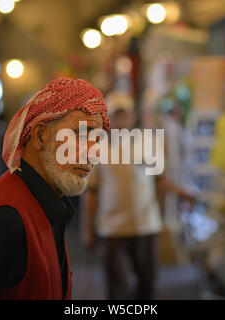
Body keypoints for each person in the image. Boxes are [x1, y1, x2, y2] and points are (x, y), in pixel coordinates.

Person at [0, 77, 109, 300]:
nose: (94, 152)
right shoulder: (3, 216)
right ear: (40, 135)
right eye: (82, 135)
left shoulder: (47, 204)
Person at [82, 92, 195, 300]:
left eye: (125, 115)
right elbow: (93, 192)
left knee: (147, 283)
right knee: (117, 287)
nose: (121, 121)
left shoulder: (148, 141)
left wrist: (182, 194)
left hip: (145, 225)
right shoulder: (98, 146)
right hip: (111, 228)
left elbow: (159, 180)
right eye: (116, 116)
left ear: (132, 115)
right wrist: (89, 229)